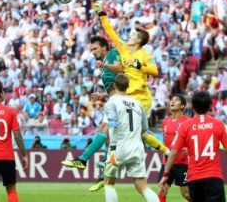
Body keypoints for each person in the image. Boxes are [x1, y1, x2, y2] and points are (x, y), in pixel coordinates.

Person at [62, 36, 170, 191]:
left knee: (106, 130)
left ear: (104, 47)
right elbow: (118, 85)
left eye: (95, 48)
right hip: (116, 100)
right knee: (109, 139)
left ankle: (83, 159)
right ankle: (102, 175)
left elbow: (121, 69)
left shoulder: (112, 54)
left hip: (123, 103)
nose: (93, 52)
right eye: (91, 49)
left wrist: (104, 64)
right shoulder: (106, 64)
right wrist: (104, 95)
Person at [159, 91, 227, 202]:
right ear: (210, 106)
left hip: (194, 177)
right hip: (214, 176)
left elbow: (173, 152)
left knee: (187, 195)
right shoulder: (218, 124)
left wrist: (165, 174)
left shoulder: (185, 125)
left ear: (191, 106)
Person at [103, 73, 159, 202]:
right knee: (143, 187)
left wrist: (112, 148)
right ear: (128, 86)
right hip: (136, 147)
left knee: (109, 183)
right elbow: (145, 129)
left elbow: (112, 125)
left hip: (118, 147)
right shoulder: (138, 104)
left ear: (114, 85)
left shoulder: (111, 102)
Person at [157, 94, 190, 202]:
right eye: (171, 100)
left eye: (176, 100)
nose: (172, 101)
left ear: (182, 106)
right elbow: (164, 141)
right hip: (167, 162)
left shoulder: (187, 122)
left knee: (186, 194)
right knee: (162, 189)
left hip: (182, 163)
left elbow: (192, 141)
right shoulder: (165, 122)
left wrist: (189, 150)